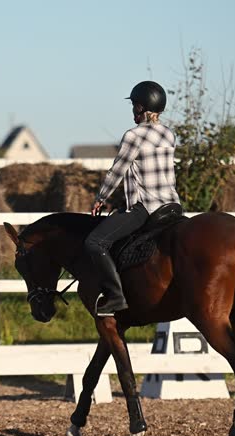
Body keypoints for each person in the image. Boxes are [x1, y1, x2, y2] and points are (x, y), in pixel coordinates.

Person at [85, 80, 181, 316]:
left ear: (140, 108)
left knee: (94, 243)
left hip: (146, 209)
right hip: (172, 206)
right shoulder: (169, 135)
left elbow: (117, 170)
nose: (132, 112)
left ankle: (116, 297)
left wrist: (100, 198)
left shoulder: (133, 136)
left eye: (134, 106)